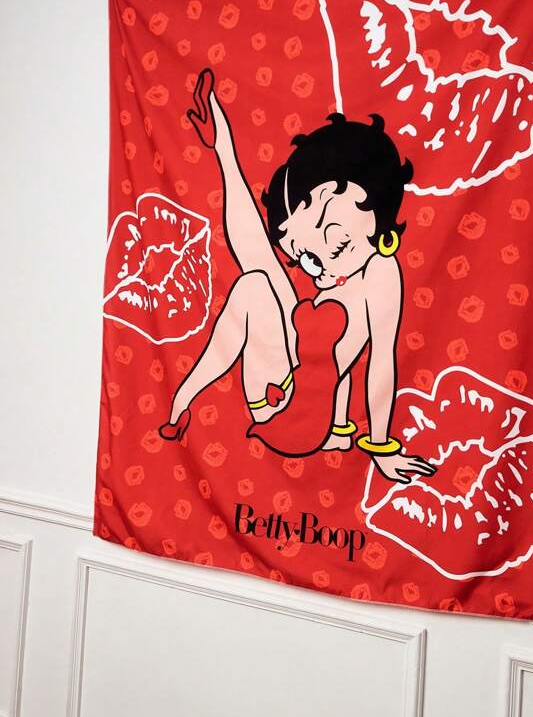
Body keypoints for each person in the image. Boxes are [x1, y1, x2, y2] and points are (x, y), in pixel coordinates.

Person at [157, 68, 435, 485]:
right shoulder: (348, 276)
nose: (319, 266)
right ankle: (181, 403)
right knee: (258, 275)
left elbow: (381, 359)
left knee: (255, 284)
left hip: (299, 416)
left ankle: (181, 402)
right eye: (306, 257)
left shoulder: (380, 272)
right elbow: (255, 247)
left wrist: (382, 448)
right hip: (283, 394)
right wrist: (224, 147)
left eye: (336, 244)